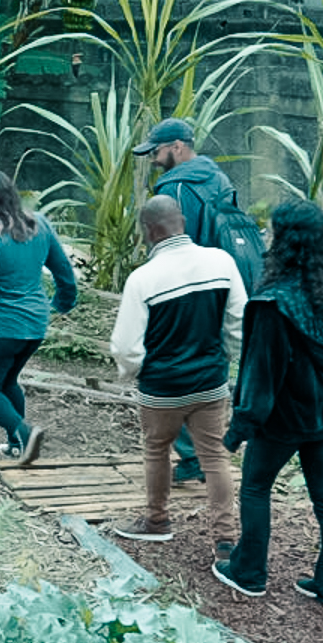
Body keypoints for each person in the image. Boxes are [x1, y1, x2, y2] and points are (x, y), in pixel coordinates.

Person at [216, 200, 323, 611]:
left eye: (271, 230)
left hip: (283, 419)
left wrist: (238, 429)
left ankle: (248, 573)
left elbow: (262, 376)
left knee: (256, 487)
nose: (264, 236)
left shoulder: (273, 305)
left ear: (288, 241)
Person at [108, 195, 246, 555]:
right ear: (181, 222)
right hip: (210, 383)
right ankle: (225, 538)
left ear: (150, 232)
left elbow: (125, 346)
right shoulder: (221, 262)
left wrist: (135, 372)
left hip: (162, 388)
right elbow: (239, 323)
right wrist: (224, 358)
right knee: (215, 457)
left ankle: (156, 520)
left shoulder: (143, 279)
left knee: (156, 450)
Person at [133, 116, 245, 485]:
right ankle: (207, 450)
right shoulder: (218, 178)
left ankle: (196, 455)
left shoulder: (177, 189)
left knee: (170, 366)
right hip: (222, 280)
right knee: (210, 363)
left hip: (187, 288)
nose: (152, 159)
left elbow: (176, 240)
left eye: (157, 151)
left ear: (178, 147)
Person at [0, 169, 78, 464]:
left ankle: (24, 431)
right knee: (7, 382)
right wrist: (62, 303)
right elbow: (64, 274)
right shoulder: (39, 225)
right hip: (33, 326)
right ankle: (17, 443)